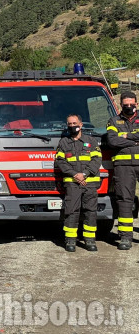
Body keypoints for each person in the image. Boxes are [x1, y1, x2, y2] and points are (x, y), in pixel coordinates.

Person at [55, 114, 102, 252]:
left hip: (90, 183)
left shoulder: (91, 141)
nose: (72, 126)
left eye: (74, 123)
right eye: (69, 124)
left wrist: (85, 174)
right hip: (72, 183)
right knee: (71, 211)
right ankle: (70, 241)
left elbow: (97, 160)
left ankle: (90, 241)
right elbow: (60, 162)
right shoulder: (63, 143)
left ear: (81, 125)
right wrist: (74, 174)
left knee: (90, 211)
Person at [107, 91, 139, 250]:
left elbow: (119, 139)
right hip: (123, 167)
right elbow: (112, 141)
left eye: (131, 104)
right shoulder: (113, 120)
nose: (128, 107)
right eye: (125, 105)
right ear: (120, 104)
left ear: (136, 104)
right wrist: (135, 141)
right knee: (125, 200)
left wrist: (126, 136)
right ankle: (126, 238)